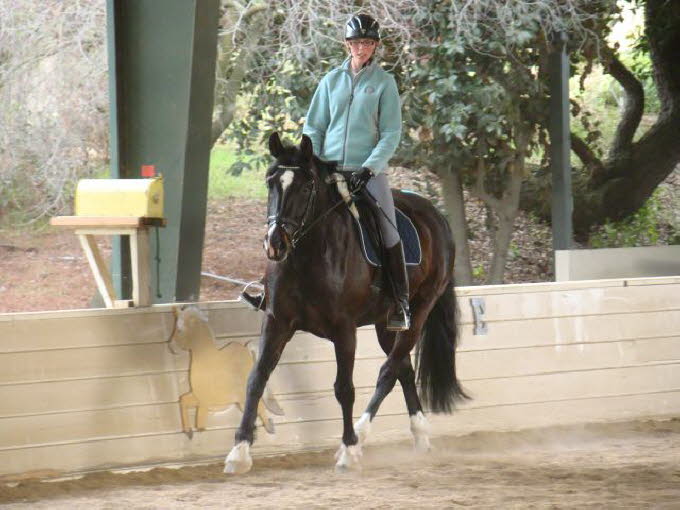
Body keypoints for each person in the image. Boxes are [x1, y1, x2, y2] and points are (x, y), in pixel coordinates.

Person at [242, 13, 410, 331]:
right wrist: (313, 162)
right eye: (357, 42)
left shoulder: (384, 84)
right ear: (347, 45)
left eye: (368, 43)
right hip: (328, 170)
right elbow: (315, 127)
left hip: (368, 174)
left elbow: (390, 133)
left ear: (375, 46)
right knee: (290, 217)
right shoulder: (331, 81)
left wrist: (370, 167)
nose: (362, 48)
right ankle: (269, 292)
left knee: (389, 230)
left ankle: (399, 302)